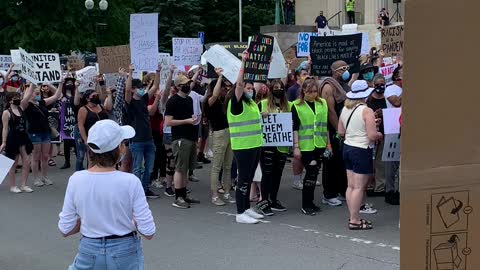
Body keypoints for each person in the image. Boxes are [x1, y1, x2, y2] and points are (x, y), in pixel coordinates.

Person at [58, 119, 155, 269]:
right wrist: (129, 221)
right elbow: (148, 231)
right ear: (119, 148)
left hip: (89, 248)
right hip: (125, 249)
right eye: (123, 143)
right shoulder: (131, 181)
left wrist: (90, 220)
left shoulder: (76, 179)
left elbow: (65, 229)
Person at [338, 80, 383, 230]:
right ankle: (355, 220)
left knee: (351, 185)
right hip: (361, 149)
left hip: (348, 147)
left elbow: (341, 132)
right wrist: (379, 134)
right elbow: (371, 135)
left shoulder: (345, 108)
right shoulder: (366, 110)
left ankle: (353, 216)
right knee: (359, 187)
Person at [226, 51, 265, 224]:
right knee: (243, 178)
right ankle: (240, 212)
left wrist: (263, 64)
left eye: (251, 88)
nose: (250, 90)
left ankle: (247, 208)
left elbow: (256, 83)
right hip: (243, 146)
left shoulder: (250, 103)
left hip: (254, 145)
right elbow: (240, 83)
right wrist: (244, 62)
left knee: (249, 178)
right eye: (247, 88)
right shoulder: (236, 103)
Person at [292, 77, 331, 216]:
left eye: (315, 91)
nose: (312, 94)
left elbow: (325, 125)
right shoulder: (296, 105)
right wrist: (296, 146)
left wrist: (328, 144)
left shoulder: (322, 103)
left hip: (319, 144)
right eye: (309, 91)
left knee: (314, 173)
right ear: (303, 91)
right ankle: (306, 204)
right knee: (311, 170)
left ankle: (311, 202)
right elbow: (295, 127)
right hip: (305, 145)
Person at [164, 74, 201, 209]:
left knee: (186, 168)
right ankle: (178, 197)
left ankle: (184, 194)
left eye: (188, 83)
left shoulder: (189, 100)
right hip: (180, 138)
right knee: (180, 168)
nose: (188, 86)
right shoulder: (172, 101)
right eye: (185, 84)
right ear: (178, 86)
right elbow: (168, 122)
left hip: (190, 137)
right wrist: (186, 121)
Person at [125, 64, 161, 199]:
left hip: (149, 139)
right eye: (138, 87)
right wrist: (130, 72)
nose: (141, 89)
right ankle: (136, 192)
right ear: (134, 89)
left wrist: (157, 71)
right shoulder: (129, 103)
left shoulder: (144, 99)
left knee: (149, 168)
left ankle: (145, 189)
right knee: (137, 168)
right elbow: (127, 90)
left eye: (142, 87)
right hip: (137, 141)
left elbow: (155, 87)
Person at [256, 79, 291, 216]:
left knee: (278, 174)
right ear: (271, 89)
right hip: (267, 146)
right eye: (276, 87)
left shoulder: (288, 105)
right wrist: (260, 116)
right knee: (267, 173)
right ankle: (263, 201)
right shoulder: (262, 104)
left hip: (282, 146)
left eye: (281, 87)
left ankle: (273, 199)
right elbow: (253, 120)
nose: (279, 90)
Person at [319, 61, 350, 207]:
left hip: (343, 128)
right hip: (331, 130)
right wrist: (339, 130)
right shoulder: (328, 86)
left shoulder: (344, 85)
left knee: (341, 161)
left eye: (347, 68)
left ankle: (341, 190)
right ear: (334, 71)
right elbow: (330, 111)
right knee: (330, 161)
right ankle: (328, 194)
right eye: (342, 69)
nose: (345, 71)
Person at [204, 68, 236, 206]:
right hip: (218, 133)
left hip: (229, 132)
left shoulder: (226, 100)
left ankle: (227, 191)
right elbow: (215, 95)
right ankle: (215, 195)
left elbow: (235, 90)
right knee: (217, 166)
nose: (225, 90)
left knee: (228, 165)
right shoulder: (209, 101)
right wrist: (219, 77)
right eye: (223, 87)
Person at [22, 82, 62, 187]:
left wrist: (61, 83)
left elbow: (57, 96)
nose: (37, 94)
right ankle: (36, 179)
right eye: (35, 93)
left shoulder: (42, 103)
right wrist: (31, 84)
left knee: (45, 156)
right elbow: (26, 96)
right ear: (30, 94)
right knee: (35, 157)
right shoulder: (26, 105)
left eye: (38, 93)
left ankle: (44, 177)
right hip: (34, 133)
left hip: (45, 133)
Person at [1, 91, 33, 193]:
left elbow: (27, 96)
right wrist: (4, 142)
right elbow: (5, 128)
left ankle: (24, 184)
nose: (18, 98)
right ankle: (13, 186)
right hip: (13, 139)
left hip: (23, 137)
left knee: (27, 161)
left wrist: (32, 84)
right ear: (10, 100)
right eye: (16, 97)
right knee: (13, 163)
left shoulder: (21, 108)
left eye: (19, 97)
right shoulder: (6, 112)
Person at [76, 88, 111, 171]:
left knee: (104, 159)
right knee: (92, 160)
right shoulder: (83, 109)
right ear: (88, 99)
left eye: (97, 95)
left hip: (103, 137)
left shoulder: (101, 106)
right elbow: (81, 126)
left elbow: (109, 108)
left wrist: (109, 95)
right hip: (92, 138)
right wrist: (86, 140)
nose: (97, 97)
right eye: (94, 96)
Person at [59, 78, 77, 169]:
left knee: (76, 142)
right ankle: (67, 162)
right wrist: (60, 83)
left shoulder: (75, 95)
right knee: (66, 142)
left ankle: (79, 161)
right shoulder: (62, 95)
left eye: (71, 83)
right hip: (66, 122)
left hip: (74, 120)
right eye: (67, 83)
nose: (69, 84)